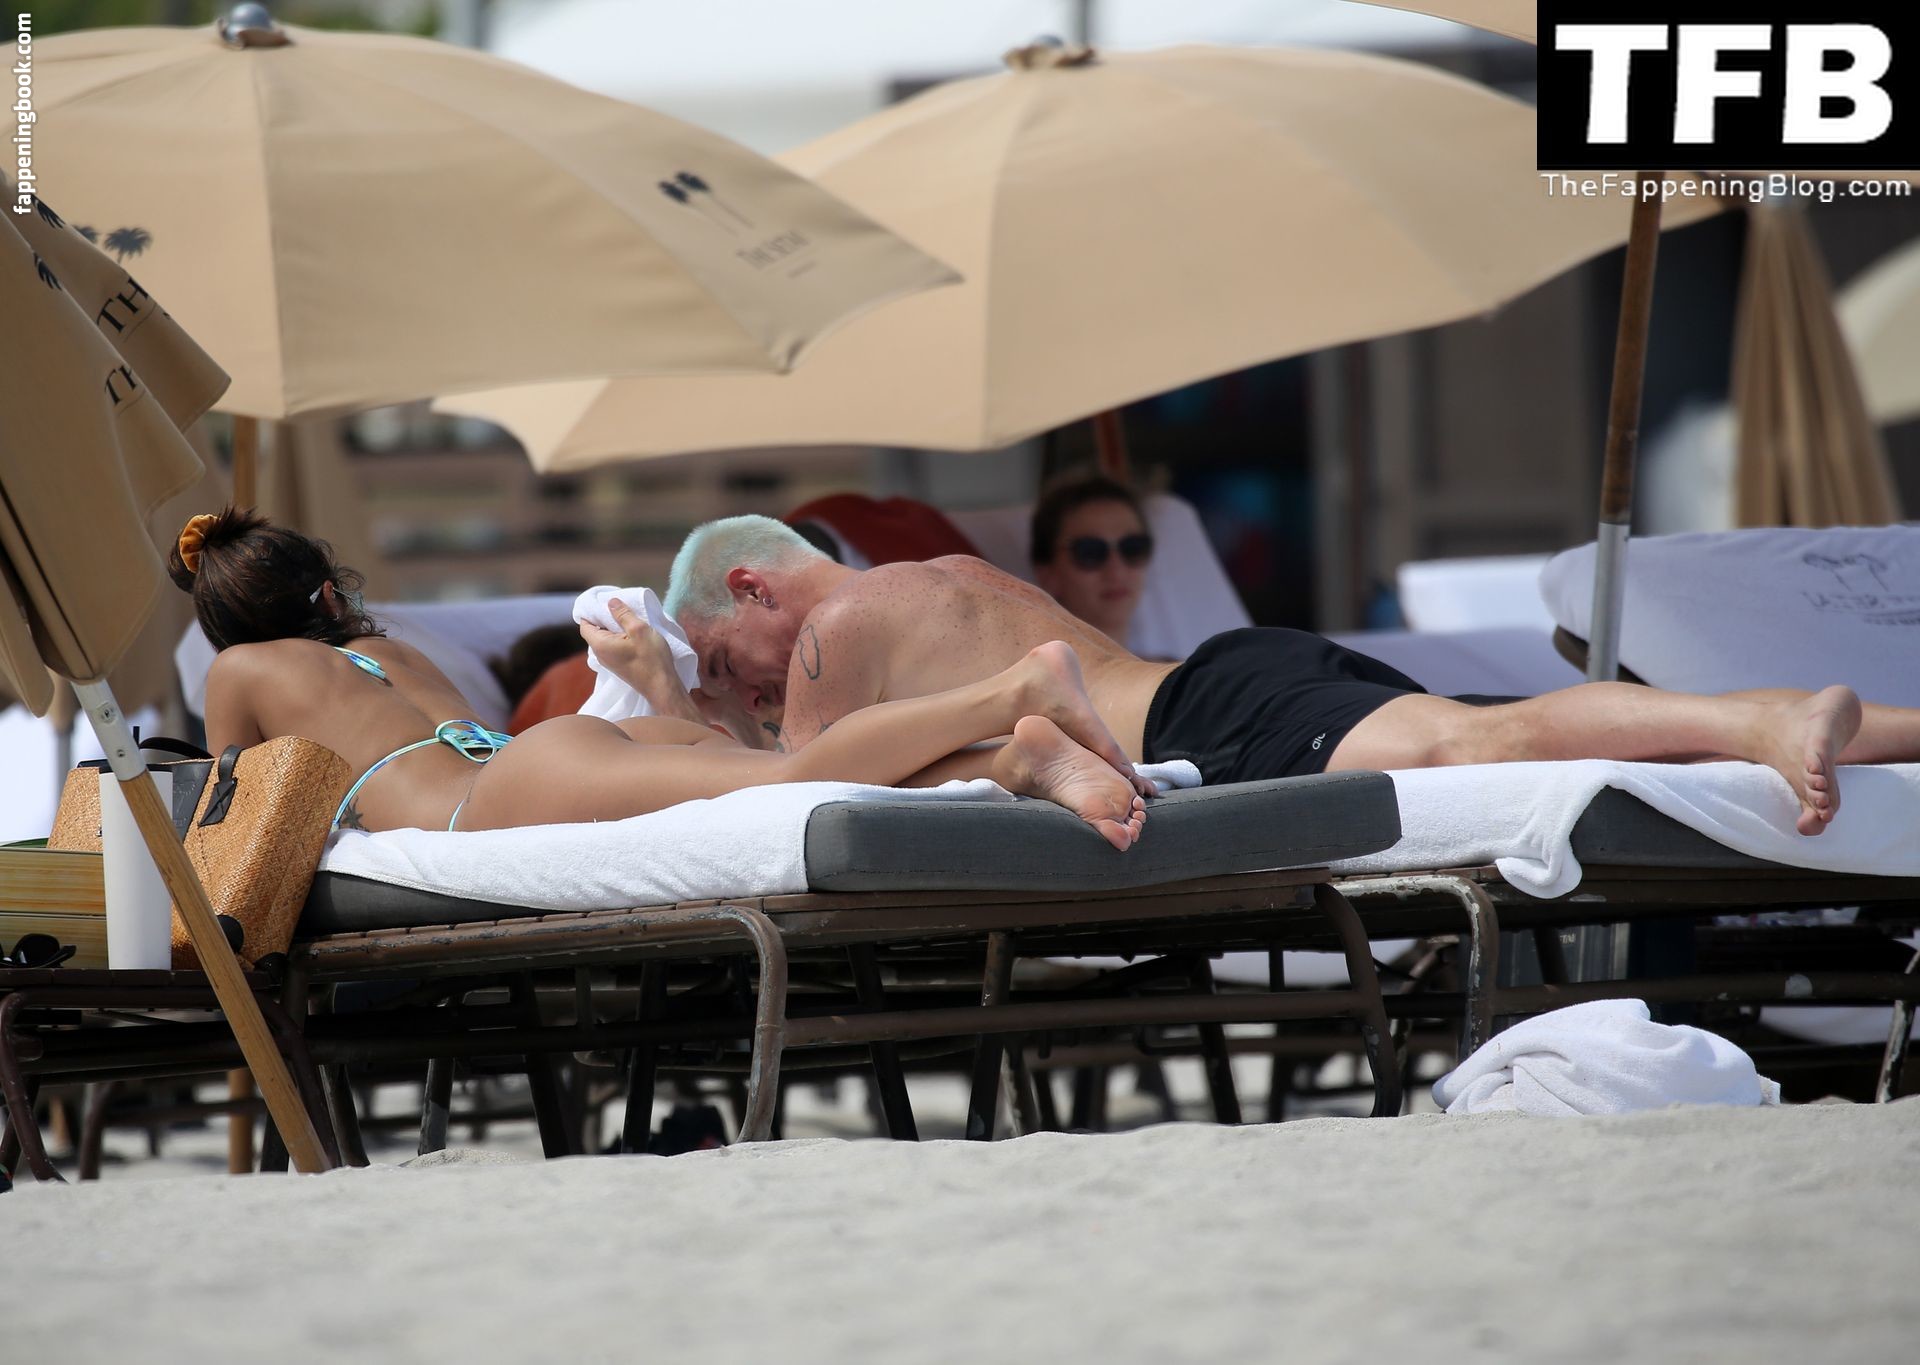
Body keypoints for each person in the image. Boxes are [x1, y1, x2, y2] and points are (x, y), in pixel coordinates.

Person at [664, 514, 1920, 837]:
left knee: (1483, 743)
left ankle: (1763, 724)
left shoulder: (838, 629)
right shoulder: (945, 576)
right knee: (1513, 726)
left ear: (757, 589)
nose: (754, 692)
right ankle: (1847, 724)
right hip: (1235, 678)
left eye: (732, 663)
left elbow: (796, 793)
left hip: (1211, 719)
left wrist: (678, 709)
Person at [170, 509, 1148, 849]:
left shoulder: (241, 670)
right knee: (779, 783)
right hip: (546, 759)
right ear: (329, 596)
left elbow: (230, 825)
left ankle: (1012, 694)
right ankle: (1012, 762)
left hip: (493, 802)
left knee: (788, 778)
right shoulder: (394, 656)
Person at [1029, 474, 1154, 645]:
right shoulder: (1032, 664)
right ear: (1046, 575)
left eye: (1133, 548)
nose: (1117, 571)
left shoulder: (1181, 662)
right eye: (1090, 552)